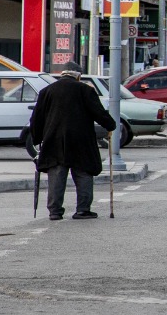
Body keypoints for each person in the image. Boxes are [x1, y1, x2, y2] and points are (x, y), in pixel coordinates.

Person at [28, 63, 116, 221]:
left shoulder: (47, 91)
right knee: (83, 173)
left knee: (56, 174)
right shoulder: (86, 90)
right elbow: (99, 113)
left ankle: (55, 211)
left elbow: (37, 119)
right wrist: (110, 125)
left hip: (54, 139)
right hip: (81, 140)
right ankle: (83, 210)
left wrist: (37, 138)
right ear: (79, 76)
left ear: (62, 74)